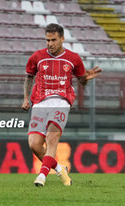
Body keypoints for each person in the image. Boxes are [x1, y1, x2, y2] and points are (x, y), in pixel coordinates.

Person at [22, 23, 102, 187]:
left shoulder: (73, 58)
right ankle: (60, 169)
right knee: (34, 144)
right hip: (40, 102)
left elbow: (81, 81)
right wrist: (25, 98)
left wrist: (86, 79)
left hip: (61, 101)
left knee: (52, 138)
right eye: (47, 40)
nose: (50, 44)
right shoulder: (37, 57)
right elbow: (29, 77)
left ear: (62, 39)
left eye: (53, 40)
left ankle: (41, 177)